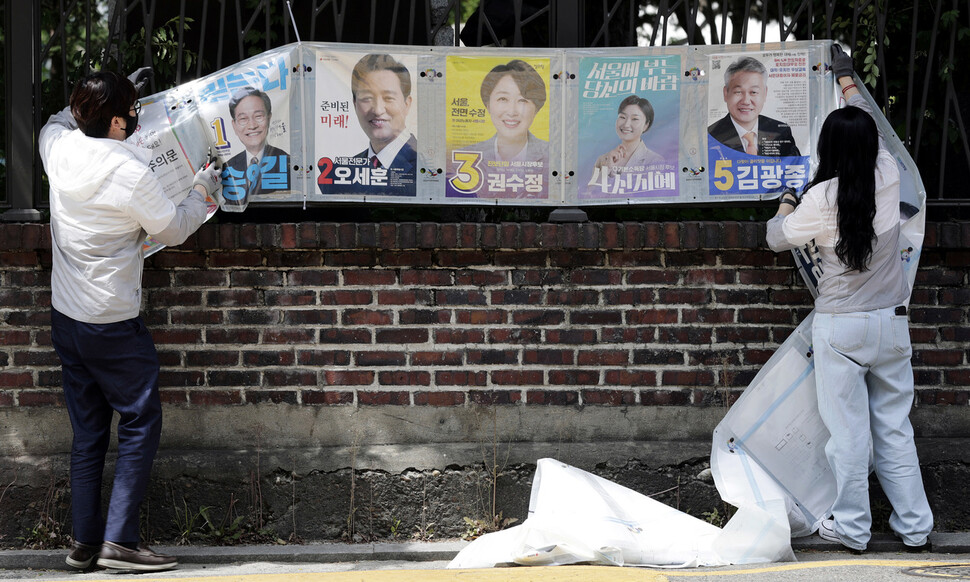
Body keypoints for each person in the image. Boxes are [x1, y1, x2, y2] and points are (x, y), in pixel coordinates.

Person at [38, 70, 221, 572]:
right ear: (118, 121)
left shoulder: (60, 148)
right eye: (132, 110)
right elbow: (174, 227)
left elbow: (54, 122)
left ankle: (82, 543)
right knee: (140, 421)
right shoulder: (130, 171)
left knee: (88, 432)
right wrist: (205, 188)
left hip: (67, 317)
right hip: (113, 321)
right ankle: (120, 541)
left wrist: (101, 94)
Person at [765, 46, 933, 553]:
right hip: (891, 323)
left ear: (828, 150)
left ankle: (854, 530)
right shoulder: (887, 174)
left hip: (840, 328)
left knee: (849, 436)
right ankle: (916, 529)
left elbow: (776, 237)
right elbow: (871, 125)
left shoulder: (819, 200)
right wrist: (843, 76)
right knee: (895, 430)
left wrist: (786, 201)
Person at [708, 56, 801, 157]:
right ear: (726, 93)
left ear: (765, 93)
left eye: (753, 92)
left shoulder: (781, 132)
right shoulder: (711, 136)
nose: (746, 101)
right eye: (738, 92)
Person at [349, 53, 417, 186]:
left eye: (388, 98)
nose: (378, 110)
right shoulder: (346, 170)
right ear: (355, 104)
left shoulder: (429, 165)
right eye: (367, 98)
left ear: (407, 104)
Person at [468, 59, 548, 166]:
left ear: (536, 109)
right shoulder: (467, 156)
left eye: (522, 100)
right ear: (488, 105)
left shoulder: (553, 155)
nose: (512, 112)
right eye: (503, 99)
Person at [223, 86, 290, 206]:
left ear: (269, 118)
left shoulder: (288, 162)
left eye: (258, 116)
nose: (252, 125)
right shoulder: (227, 168)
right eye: (243, 119)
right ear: (234, 125)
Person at [591, 94, 665, 183]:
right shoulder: (603, 159)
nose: (626, 124)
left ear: (646, 125)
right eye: (622, 117)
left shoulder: (655, 161)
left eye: (635, 119)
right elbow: (590, 193)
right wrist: (607, 168)